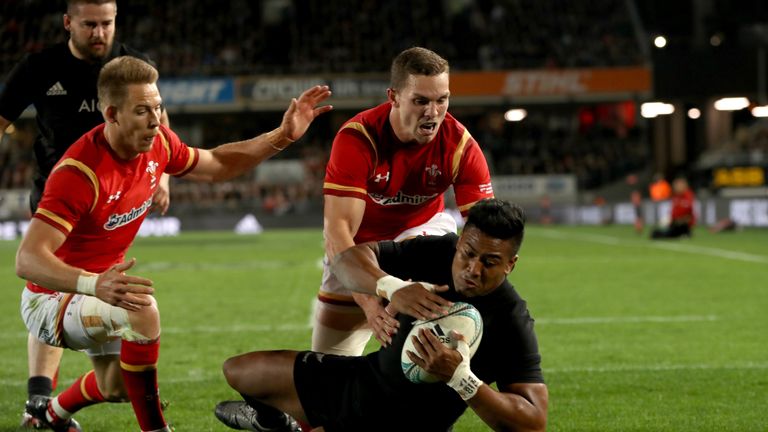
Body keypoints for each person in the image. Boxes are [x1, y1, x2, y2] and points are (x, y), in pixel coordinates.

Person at [15, 56, 331, 432]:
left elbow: (216, 163)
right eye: (142, 111)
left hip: (103, 288)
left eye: (158, 107)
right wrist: (94, 283)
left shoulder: (158, 144)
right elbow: (28, 259)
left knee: (115, 386)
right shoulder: (78, 173)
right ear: (112, 114)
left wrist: (281, 137)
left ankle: (49, 416)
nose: (155, 120)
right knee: (142, 308)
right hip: (50, 299)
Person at [215, 198, 548, 432]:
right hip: (358, 380)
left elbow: (533, 422)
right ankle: (275, 423)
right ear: (459, 242)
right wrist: (391, 288)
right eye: (468, 254)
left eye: (489, 262)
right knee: (239, 371)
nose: (472, 270)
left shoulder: (510, 319)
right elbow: (346, 261)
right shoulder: (438, 251)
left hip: (406, 423)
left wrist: (461, 378)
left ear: (510, 264)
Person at [0, 1, 172, 426]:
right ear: (68, 24)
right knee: (51, 290)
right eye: (90, 24)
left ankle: (53, 409)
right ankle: (38, 400)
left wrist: (162, 175)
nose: (99, 32)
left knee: (114, 378)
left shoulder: (132, 66)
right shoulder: (40, 67)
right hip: (56, 201)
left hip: (112, 202)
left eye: (107, 24)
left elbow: (158, 117)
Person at [315, 46, 494, 357]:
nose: (433, 112)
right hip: (358, 246)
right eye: (421, 101)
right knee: (327, 369)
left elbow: (487, 232)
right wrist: (371, 304)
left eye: (442, 100)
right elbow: (339, 237)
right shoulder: (358, 140)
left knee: (432, 269)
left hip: (421, 231)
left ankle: (428, 366)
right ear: (393, 97)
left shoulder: (460, 147)